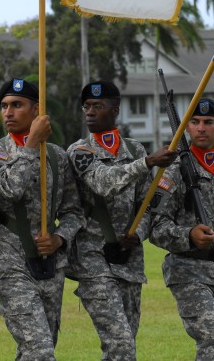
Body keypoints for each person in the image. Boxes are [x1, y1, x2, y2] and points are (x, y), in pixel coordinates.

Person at [66, 81, 177, 360]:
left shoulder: (135, 149)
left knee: (126, 343)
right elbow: (104, 183)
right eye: (87, 107)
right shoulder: (79, 151)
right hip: (93, 260)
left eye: (98, 106)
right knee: (120, 345)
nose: (90, 112)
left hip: (129, 261)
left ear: (114, 110)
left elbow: (146, 203)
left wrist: (138, 233)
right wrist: (148, 163)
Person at [0, 78, 84, 360]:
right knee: (39, 349)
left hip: (50, 263)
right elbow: (10, 189)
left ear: (36, 110)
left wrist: (60, 238)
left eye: (16, 105)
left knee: (40, 347)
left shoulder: (57, 157)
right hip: (11, 262)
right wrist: (32, 143)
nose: (8, 112)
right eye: (4, 106)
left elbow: (74, 212)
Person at [149, 98, 214, 360]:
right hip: (188, 271)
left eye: (208, 122)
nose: (201, 128)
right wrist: (188, 235)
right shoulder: (172, 171)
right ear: (187, 128)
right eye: (194, 122)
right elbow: (155, 225)